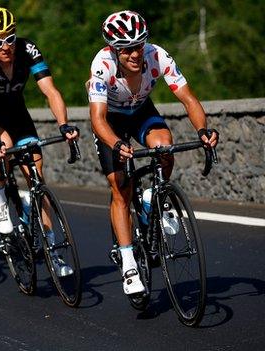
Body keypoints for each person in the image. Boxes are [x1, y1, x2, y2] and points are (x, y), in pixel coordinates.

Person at [88, 10, 218, 295]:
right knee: (120, 186)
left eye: (139, 46)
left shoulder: (158, 55)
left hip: (141, 111)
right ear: (113, 49)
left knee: (165, 147)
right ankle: (128, 262)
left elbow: (188, 97)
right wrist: (117, 144)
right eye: (127, 49)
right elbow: (97, 119)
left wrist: (203, 131)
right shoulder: (102, 65)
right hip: (111, 120)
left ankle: (153, 198)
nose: (135, 54)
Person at [0, 7, 79, 275]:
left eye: (9, 38)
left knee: (37, 179)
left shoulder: (28, 49)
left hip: (18, 114)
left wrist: (63, 124)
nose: (5, 46)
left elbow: (50, 91)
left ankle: (53, 252)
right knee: (2, 150)